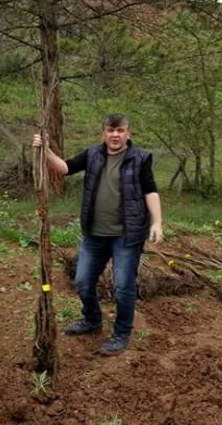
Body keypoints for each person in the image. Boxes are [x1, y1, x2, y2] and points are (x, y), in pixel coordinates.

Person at [32, 113, 163, 356]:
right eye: (110, 131)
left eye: (120, 130)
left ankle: (121, 334)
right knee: (82, 281)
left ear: (128, 134)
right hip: (94, 234)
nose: (115, 135)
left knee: (123, 286)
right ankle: (92, 319)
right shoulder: (93, 154)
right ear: (103, 133)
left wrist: (157, 222)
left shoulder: (140, 158)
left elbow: (151, 191)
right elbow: (65, 169)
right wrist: (46, 151)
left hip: (126, 236)